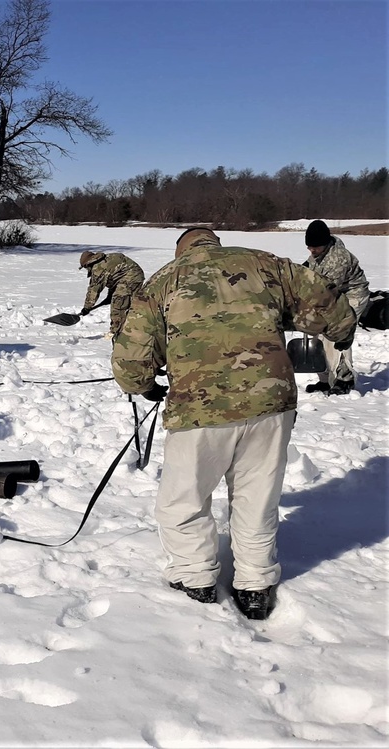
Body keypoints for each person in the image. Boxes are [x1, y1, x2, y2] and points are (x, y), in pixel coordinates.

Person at [111, 228, 356, 621]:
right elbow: (329, 307)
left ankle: (195, 579)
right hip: (270, 404)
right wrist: (341, 333)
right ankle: (255, 585)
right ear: (216, 244)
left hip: (199, 410)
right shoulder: (267, 264)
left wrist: (143, 385)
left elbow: (131, 357)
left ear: (182, 250)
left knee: (184, 500)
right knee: (256, 498)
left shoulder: (163, 280)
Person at [302, 219, 370, 395]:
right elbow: (308, 271)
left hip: (352, 295)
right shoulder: (320, 252)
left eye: (314, 247)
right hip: (332, 295)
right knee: (317, 332)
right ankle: (325, 380)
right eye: (309, 247)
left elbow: (327, 291)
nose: (311, 250)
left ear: (324, 244)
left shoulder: (338, 259)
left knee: (338, 331)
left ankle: (344, 379)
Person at [78, 251, 145, 339]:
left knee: (118, 304)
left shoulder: (98, 269)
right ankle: (133, 326)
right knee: (127, 303)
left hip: (131, 277)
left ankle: (116, 332)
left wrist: (87, 307)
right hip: (135, 275)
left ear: (87, 264)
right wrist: (110, 295)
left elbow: (94, 290)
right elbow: (115, 276)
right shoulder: (106, 259)